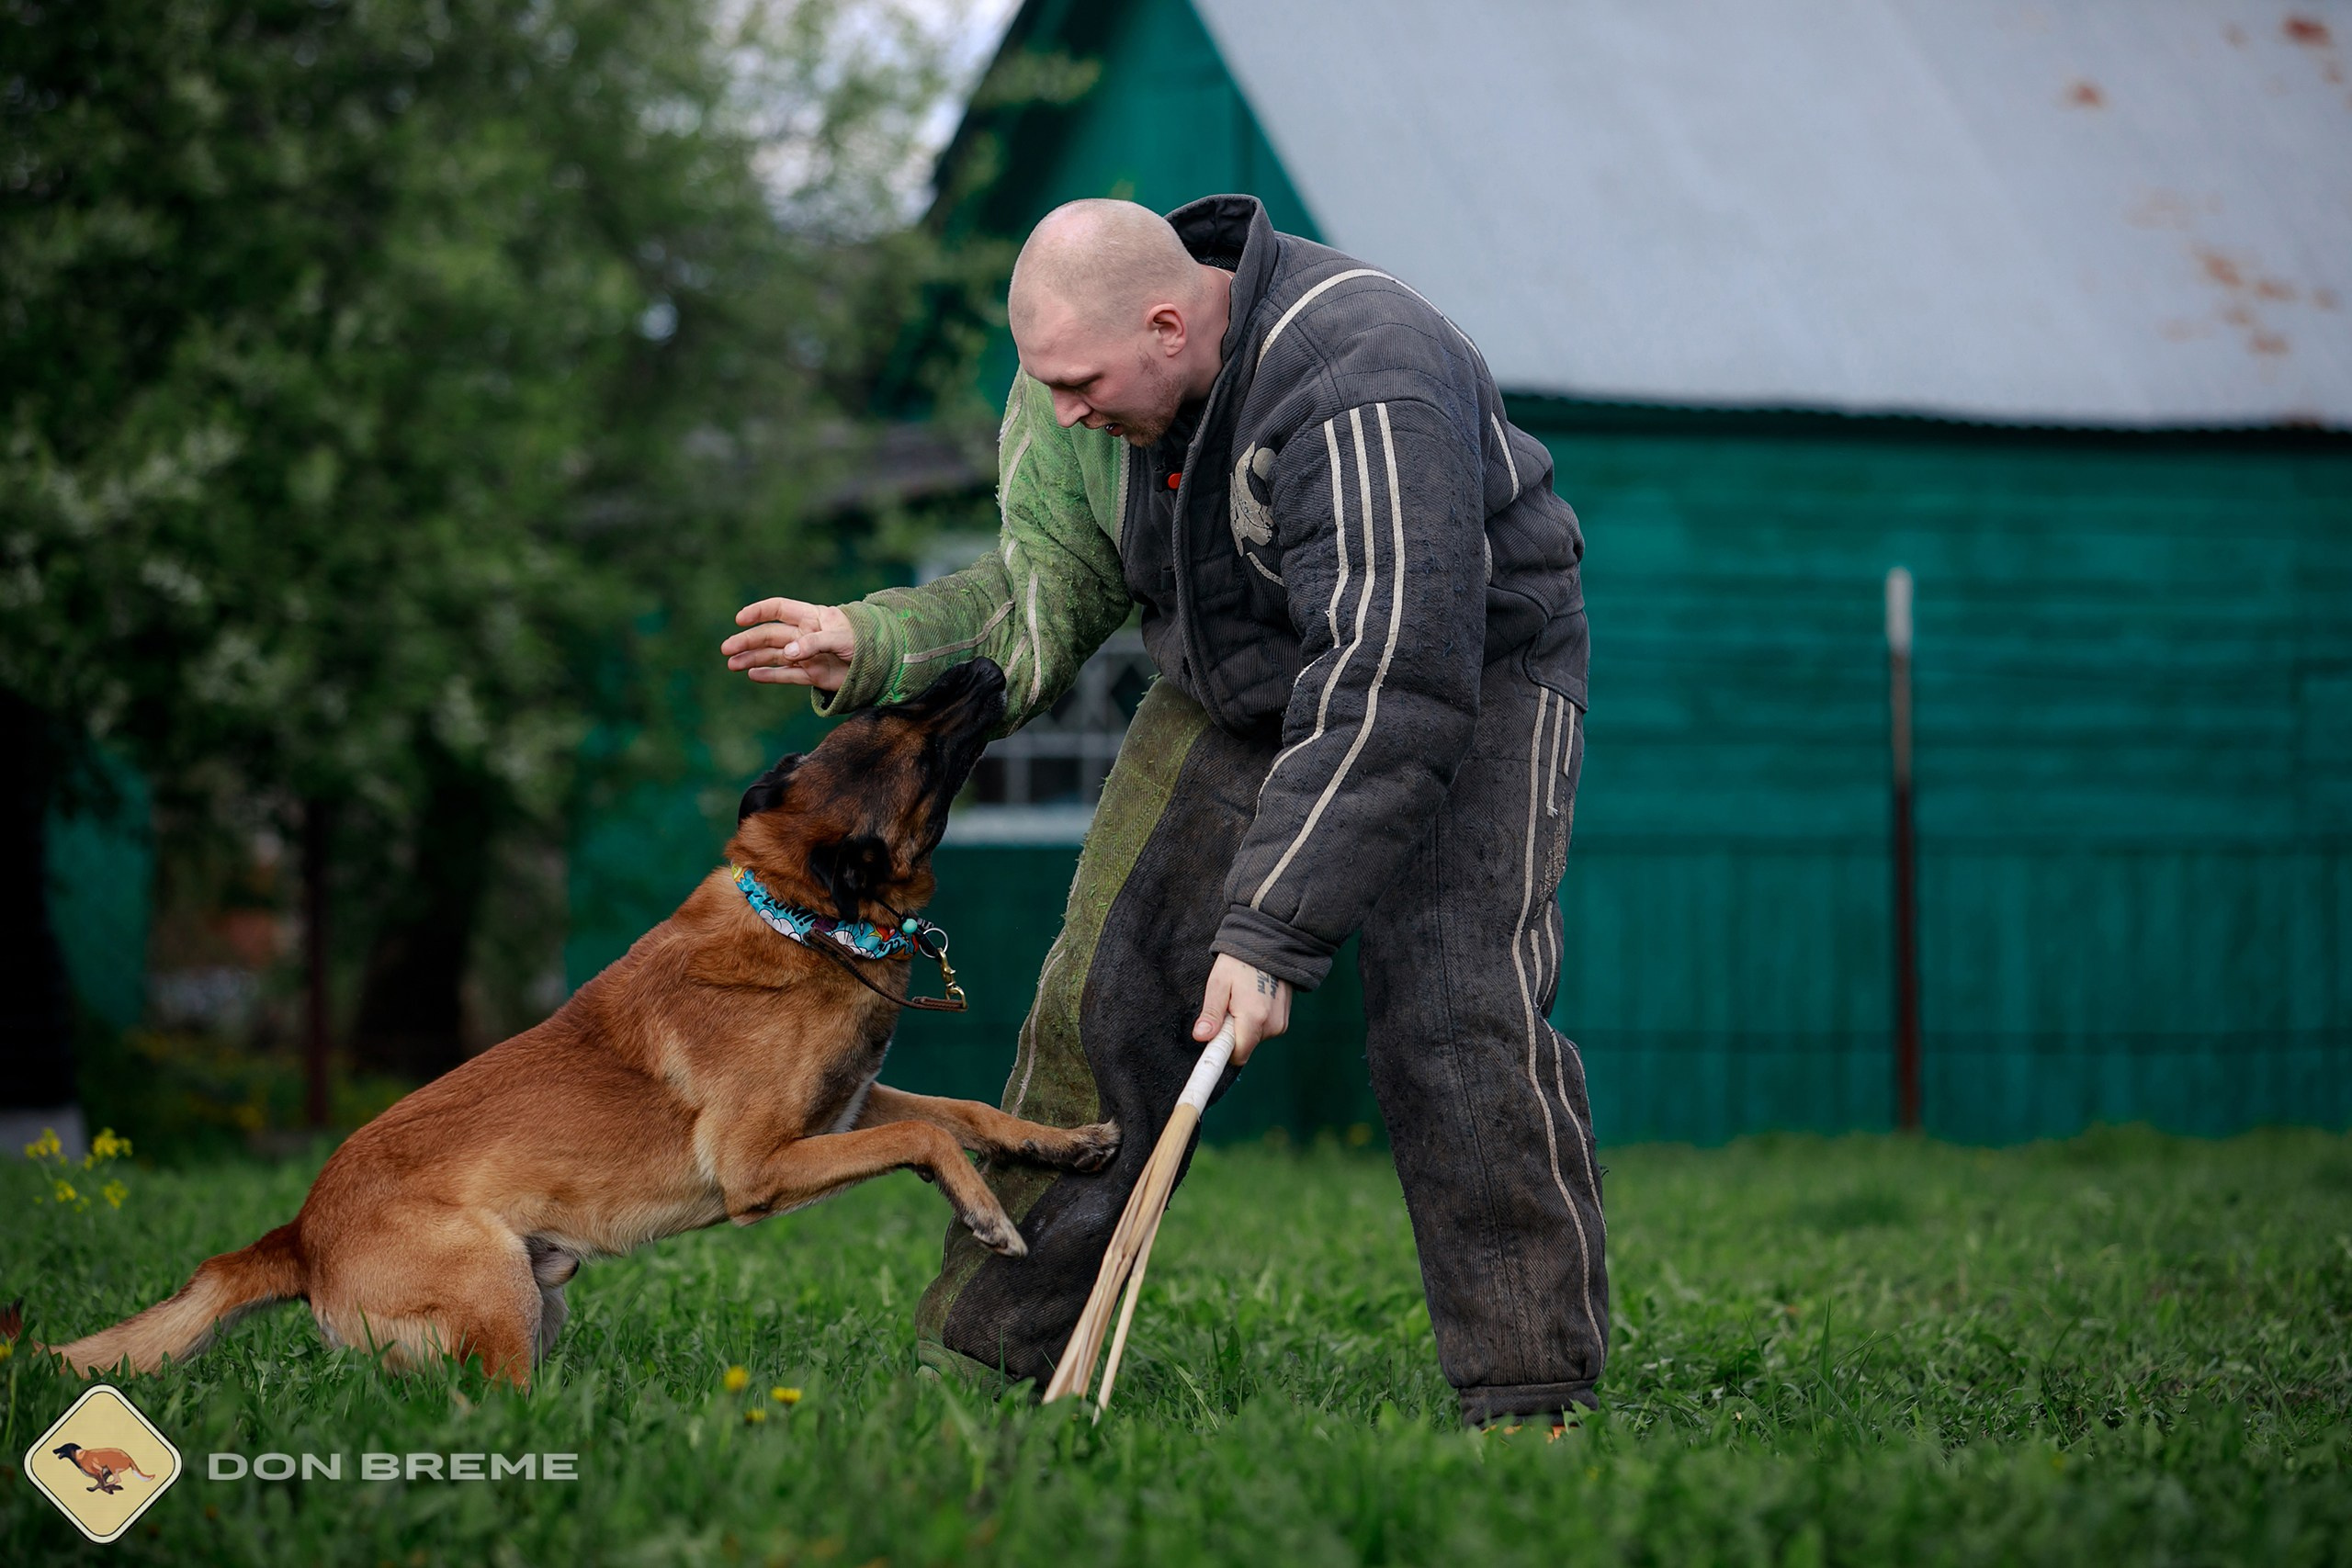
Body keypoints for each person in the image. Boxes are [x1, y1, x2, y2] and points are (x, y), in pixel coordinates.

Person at [720, 196, 1605, 1427]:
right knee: (1102, 1003)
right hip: (1230, 681)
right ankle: (986, 1364)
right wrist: (873, 643)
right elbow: (1045, 588)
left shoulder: (1363, 376)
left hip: (1460, 676)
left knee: (1456, 1025)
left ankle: (1529, 1401)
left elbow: (1387, 677)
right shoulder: (1075, 375)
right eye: (1048, 384)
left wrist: (1269, 931)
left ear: (1171, 321)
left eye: (1082, 383)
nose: (1065, 410)